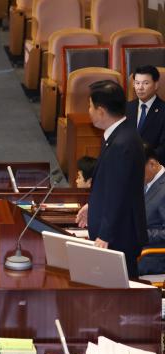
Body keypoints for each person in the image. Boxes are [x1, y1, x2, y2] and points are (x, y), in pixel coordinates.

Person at [76, 80, 147, 278]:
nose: (88, 111)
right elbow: (112, 183)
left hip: (119, 237)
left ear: (101, 111)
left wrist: (105, 235)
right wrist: (93, 205)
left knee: (119, 298)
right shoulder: (117, 136)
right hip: (117, 233)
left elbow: (119, 195)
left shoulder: (122, 144)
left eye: (90, 106)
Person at [126, 65, 165, 163]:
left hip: (153, 165)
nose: (140, 87)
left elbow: (163, 148)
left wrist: (143, 160)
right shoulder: (126, 108)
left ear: (156, 85)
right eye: (137, 83)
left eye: (145, 83)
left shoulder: (163, 110)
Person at [138, 144, 165, 275]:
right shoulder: (147, 181)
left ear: (152, 164)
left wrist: (139, 233)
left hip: (155, 255)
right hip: (140, 249)